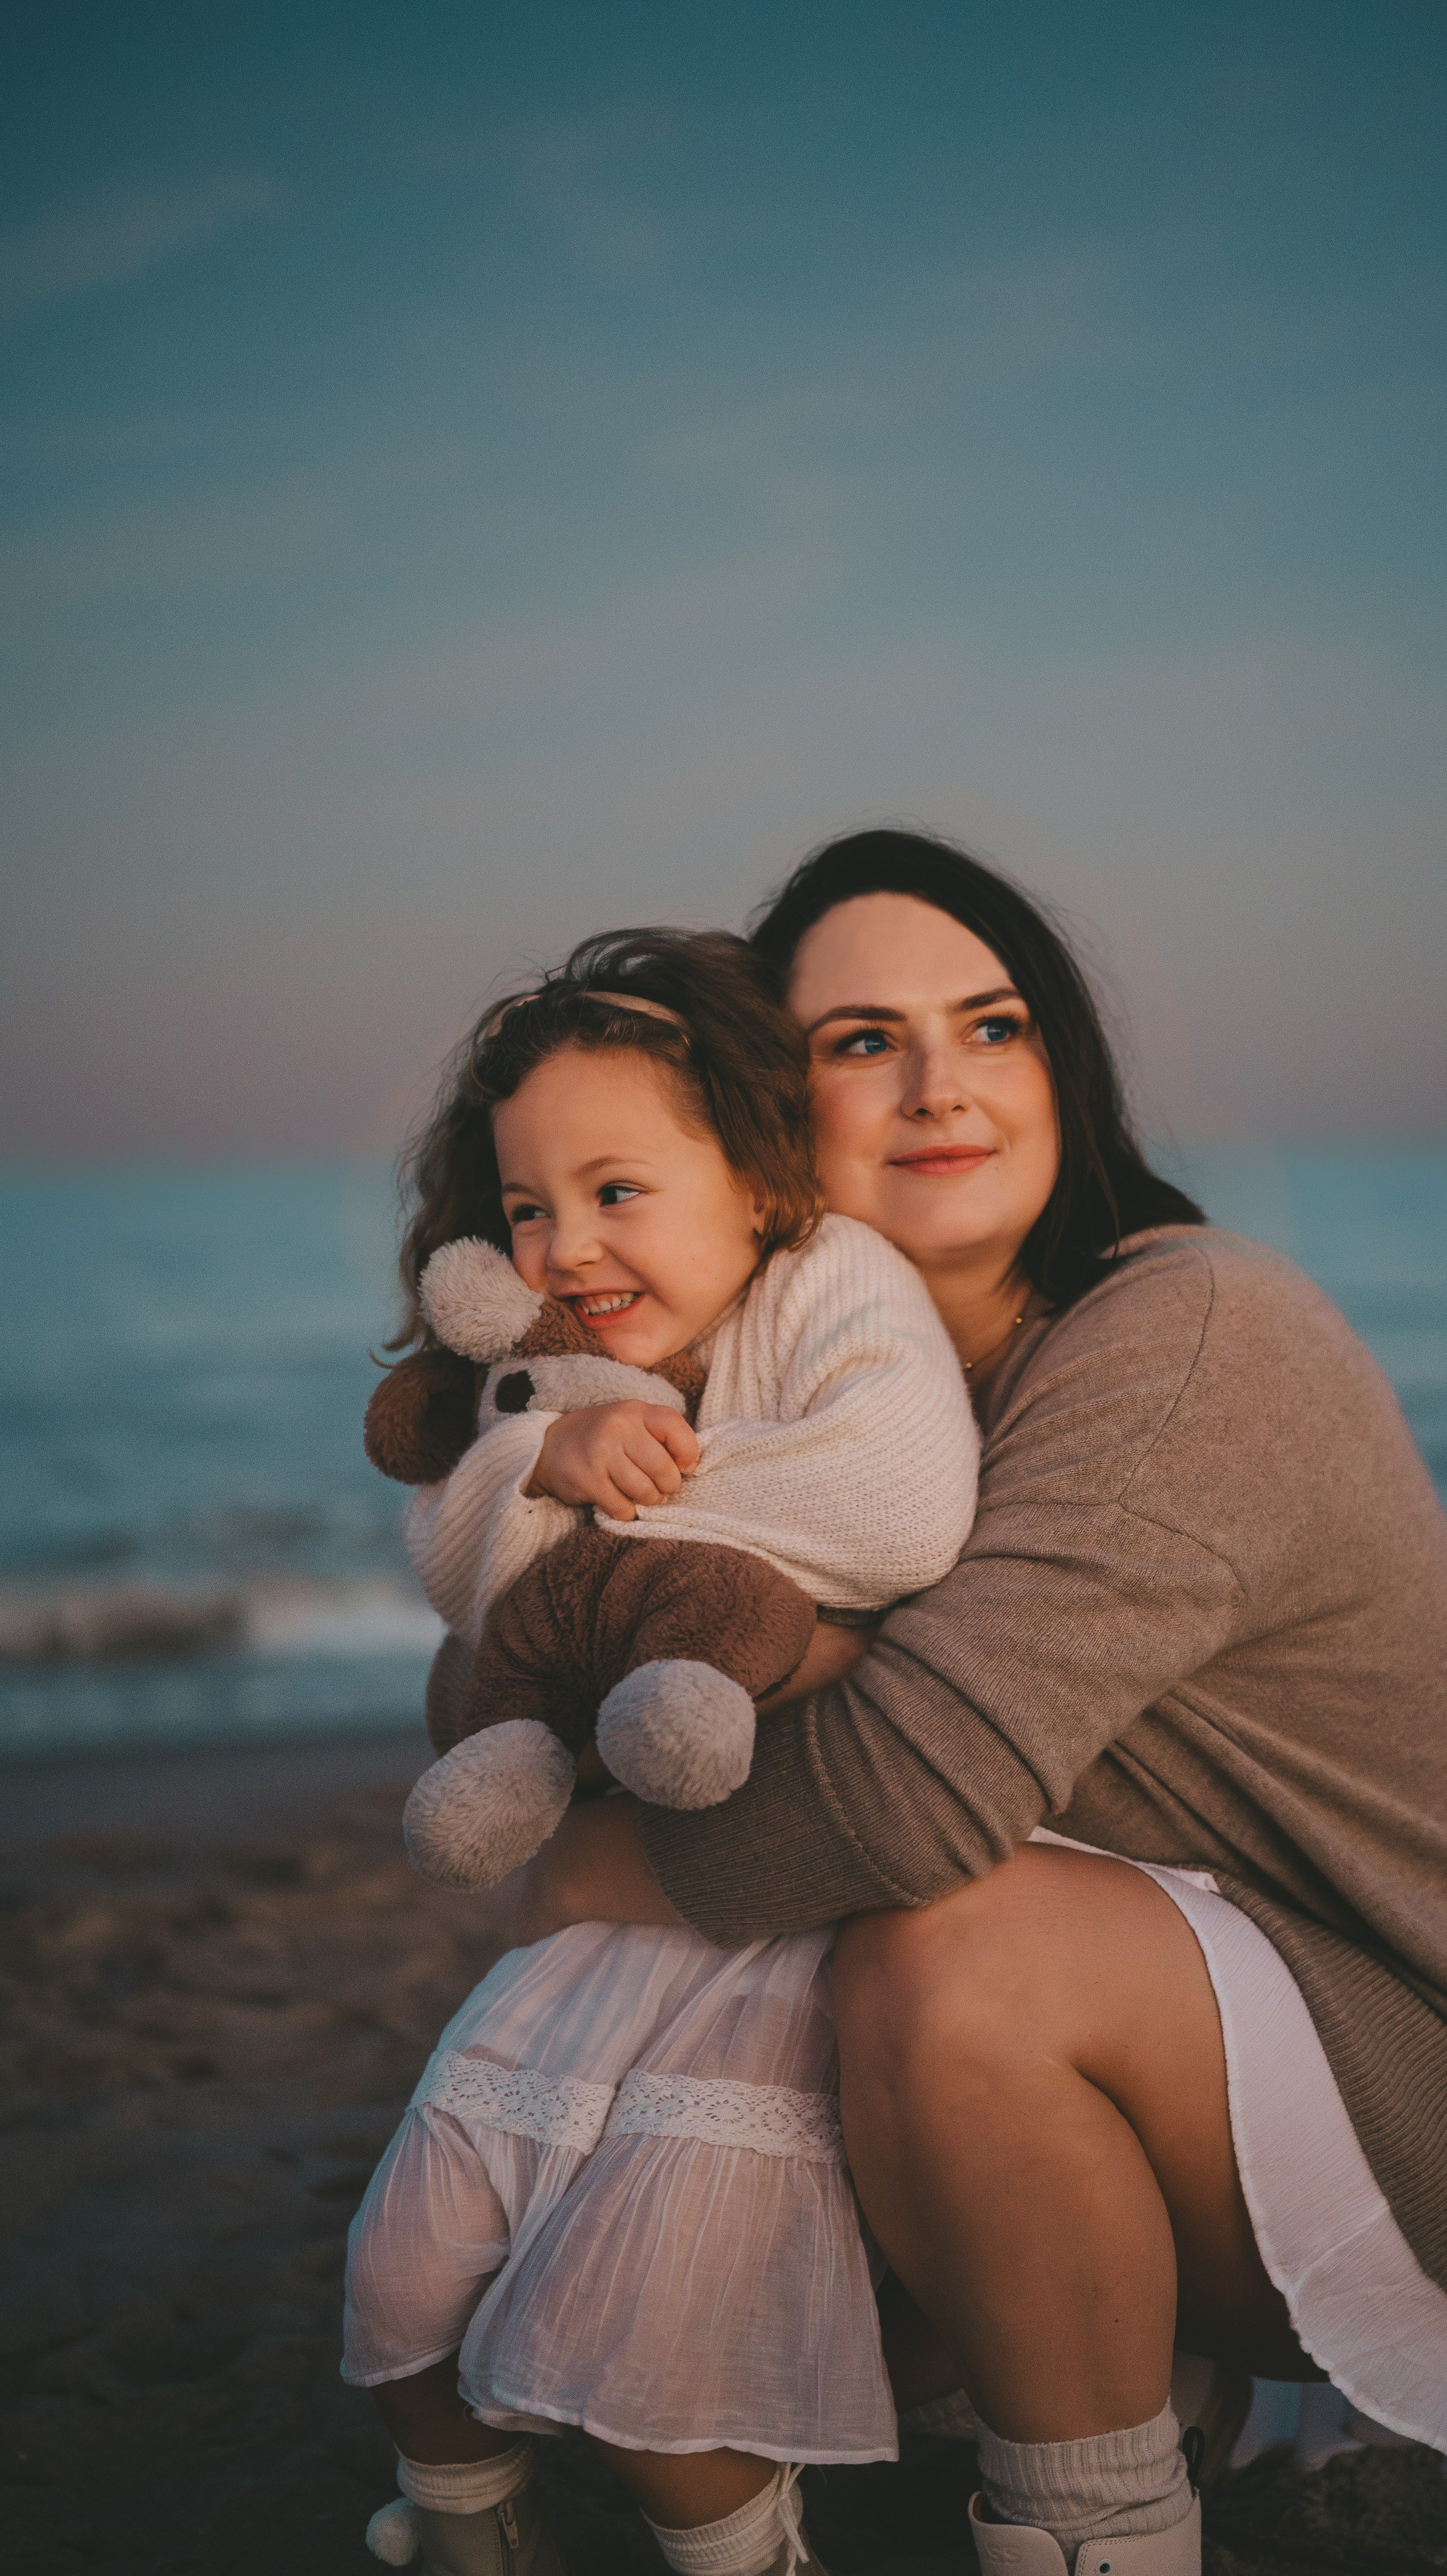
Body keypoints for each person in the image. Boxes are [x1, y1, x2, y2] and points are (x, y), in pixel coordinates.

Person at [513, 827, 1447, 2573]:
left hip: (1441, 2089)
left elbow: (903, 1801)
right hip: (1186, 1987)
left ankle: (1101, 2536)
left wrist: (583, 1870)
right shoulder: (809, 1396)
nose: (945, 1084)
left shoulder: (1182, 1332)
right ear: (753, 1113)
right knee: (624, 2197)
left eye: (997, 1023)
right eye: (864, 1041)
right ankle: (1120, 2377)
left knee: (939, 1950)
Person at [343, 926, 981, 2575]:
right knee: (405, 2279)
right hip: (612, 1884)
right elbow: (469, 1591)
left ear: (759, 1181)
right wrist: (546, 1447)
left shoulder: (834, 1279)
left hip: (788, 1892)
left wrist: (576, 1506)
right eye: (528, 1206)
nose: (560, 1248)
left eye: (616, 1190)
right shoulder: (545, 1384)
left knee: (649, 2357)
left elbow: (893, 1503)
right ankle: (468, 2532)